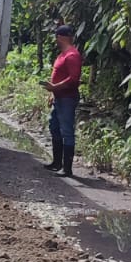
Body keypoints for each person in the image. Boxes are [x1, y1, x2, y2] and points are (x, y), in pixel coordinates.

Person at [41, 24, 82, 177]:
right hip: (59, 98)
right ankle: (57, 162)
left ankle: (67, 168)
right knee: (54, 127)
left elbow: (73, 79)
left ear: (60, 37)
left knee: (67, 131)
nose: (55, 40)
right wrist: (53, 93)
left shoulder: (72, 56)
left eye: (56, 37)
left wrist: (55, 87)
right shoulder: (63, 55)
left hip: (67, 99)